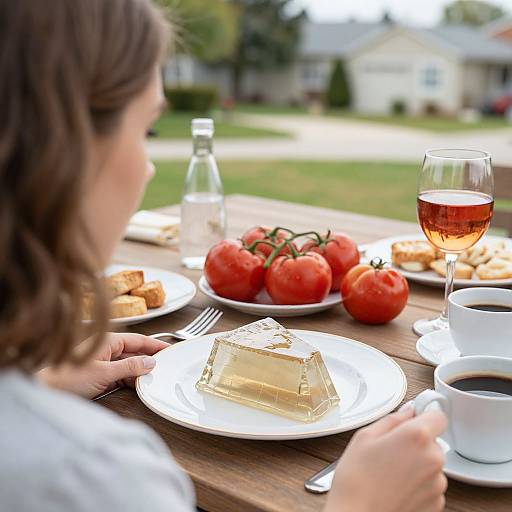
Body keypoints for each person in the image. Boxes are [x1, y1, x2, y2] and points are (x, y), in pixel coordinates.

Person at [0, 1, 448, 511]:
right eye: (145, 130)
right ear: (64, 155)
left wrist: (38, 387)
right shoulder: (93, 475)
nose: (148, 170)